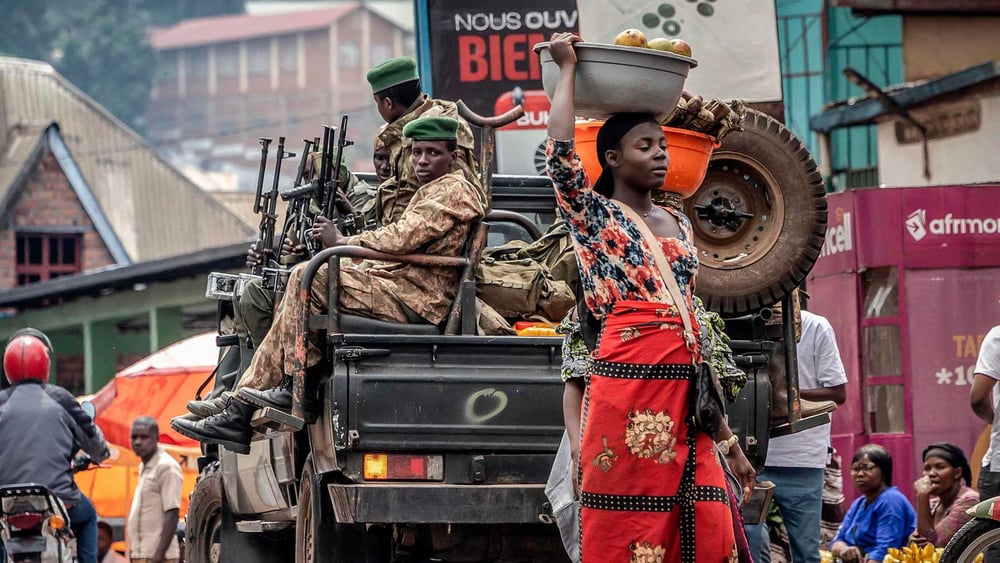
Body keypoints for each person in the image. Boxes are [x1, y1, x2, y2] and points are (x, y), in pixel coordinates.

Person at [544, 32, 754, 562]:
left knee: (708, 521)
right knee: (629, 528)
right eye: (646, 147)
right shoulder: (593, 216)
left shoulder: (680, 222)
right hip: (627, 389)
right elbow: (561, 155)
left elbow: (693, 324)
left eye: (662, 145)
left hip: (687, 390)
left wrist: (727, 438)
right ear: (613, 158)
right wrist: (567, 70)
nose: (660, 155)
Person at [171, 116, 487, 454]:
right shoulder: (434, 189)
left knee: (312, 277)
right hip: (402, 282)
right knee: (303, 276)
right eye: (417, 152)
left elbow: (401, 237)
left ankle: (284, 391)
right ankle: (242, 403)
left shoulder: (454, 190)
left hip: (418, 296)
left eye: (433, 153)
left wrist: (343, 240)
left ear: (452, 156)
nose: (422, 160)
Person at [746, 307, 848, 563]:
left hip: (801, 456)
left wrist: (784, 396)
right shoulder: (743, 323)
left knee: (806, 552)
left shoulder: (816, 326)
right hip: (751, 457)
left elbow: (837, 393)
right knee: (748, 544)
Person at [0, 329, 110, 563]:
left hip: (5, 502)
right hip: (59, 501)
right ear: (45, 365)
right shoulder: (60, 398)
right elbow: (97, 447)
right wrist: (101, 454)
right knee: (89, 516)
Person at [366, 56, 480, 225]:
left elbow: (455, 198)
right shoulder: (406, 132)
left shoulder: (434, 129)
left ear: (388, 103)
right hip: (402, 236)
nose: (422, 159)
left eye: (378, 103)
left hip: (424, 240)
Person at [830, 444, 916, 563]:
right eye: (855, 468)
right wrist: (844, 550)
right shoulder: (859, 503)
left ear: (884, 472)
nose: (860, 474)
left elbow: (886, 550)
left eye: (868, 468)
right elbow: (837, 541)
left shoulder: (891, 500)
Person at [127, 416, 183, 563]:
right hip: (141, 554)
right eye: (134, 437)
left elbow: (172, 513)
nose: (138, 442)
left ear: (156, 438)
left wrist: (159, 555)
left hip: (159, 557)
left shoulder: (166, 466)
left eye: (144, 437)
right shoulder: (143, 467)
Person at [910, 442, 979, 548]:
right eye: (927, 468)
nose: (931, 473)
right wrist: (912, 539)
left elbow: (931, 548)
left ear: (957, 473)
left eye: (939, 467)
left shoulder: (970, 502)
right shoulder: (933, 503)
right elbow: (917, 545)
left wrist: (922, 496)